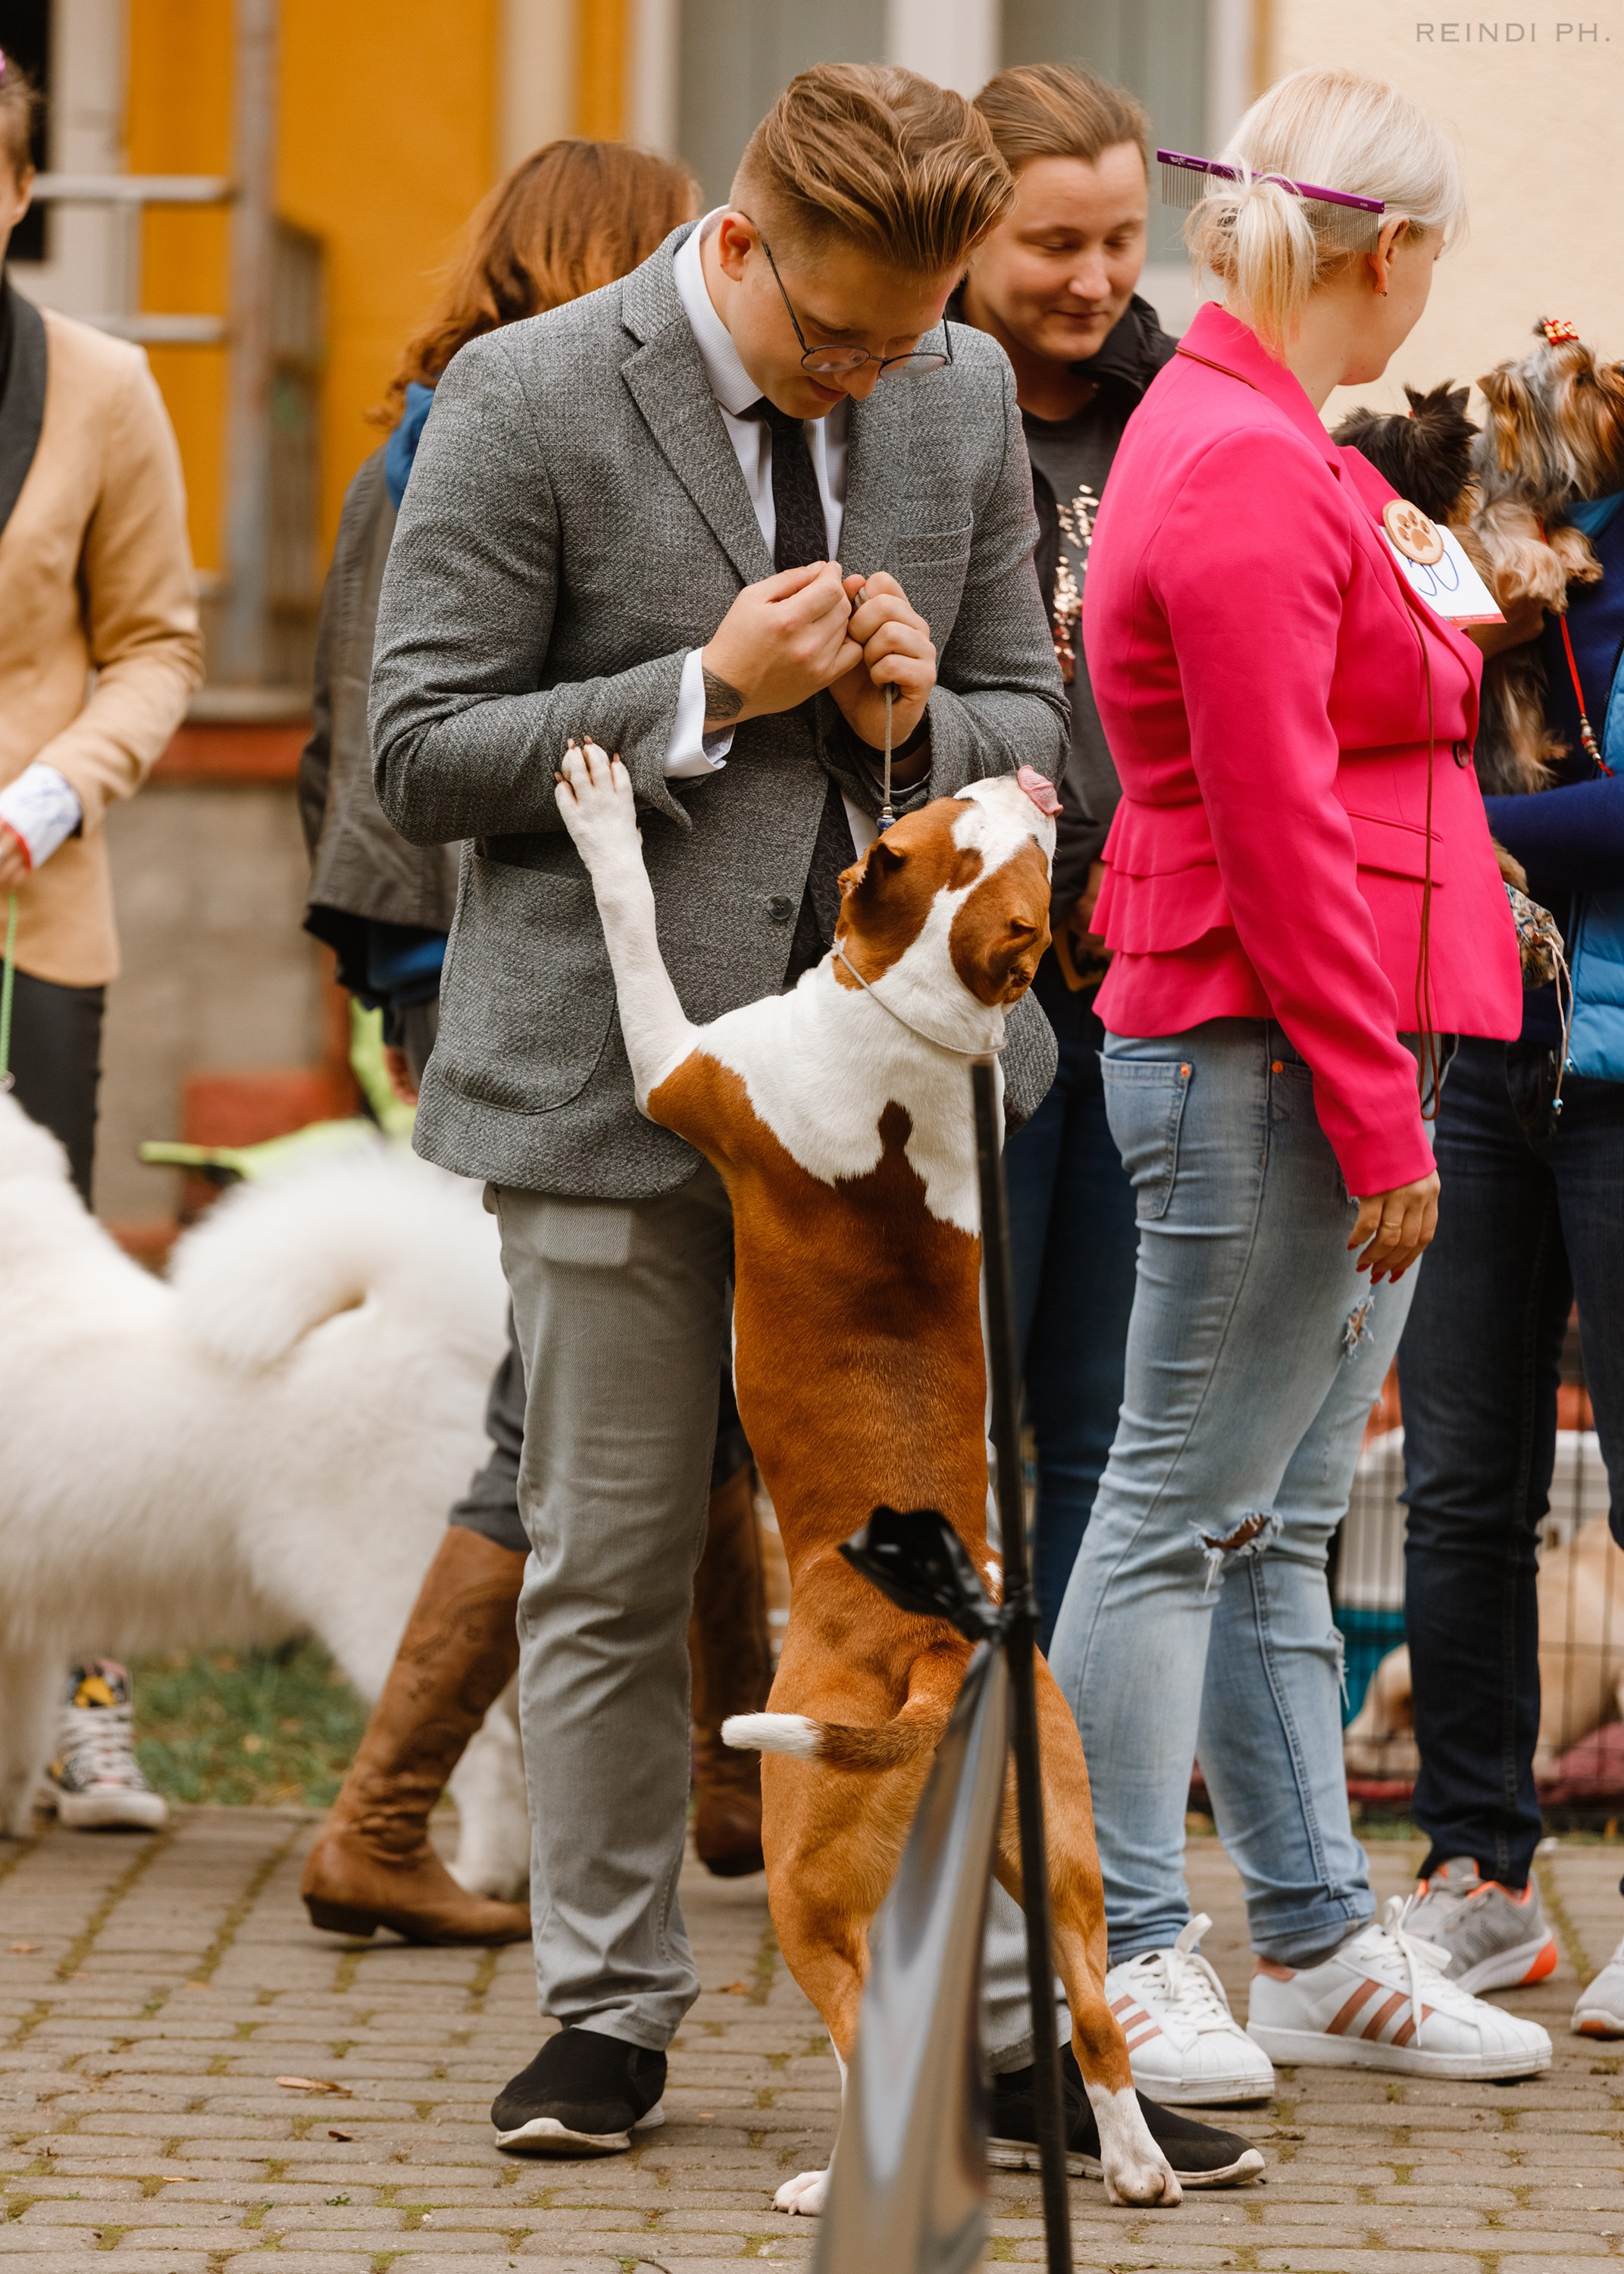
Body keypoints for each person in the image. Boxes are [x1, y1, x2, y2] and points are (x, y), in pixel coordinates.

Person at [369, 63, 1069, 2155]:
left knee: (948, 1571)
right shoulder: (523, 396)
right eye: (836, 339)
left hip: (899, 1131)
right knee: (603, 1561)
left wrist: (912, 707)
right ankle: (608, 2015)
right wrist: (703, 693)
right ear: (741, 244)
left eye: (907, 343)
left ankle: (992, 2020)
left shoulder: (949, 387)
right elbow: (414, 756)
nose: (874, 382)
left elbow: (1042, 726)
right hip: (607, 1079)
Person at [986, 65, 1554, 2105]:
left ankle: (1309, 1936)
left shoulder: (1263, 437)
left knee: (1275, 1518)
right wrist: (1377, 1104)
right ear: (1383, 249)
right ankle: (1119, 1946)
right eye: (1433, 261)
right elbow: (1273, 805)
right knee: (1175, 1508)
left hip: (1332, 1030)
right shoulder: (1228, 456)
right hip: (1266, 1033)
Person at [296, 139, 774, 1942]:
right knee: (564, 1411)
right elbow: (404, 739)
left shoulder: (409, 440)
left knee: (690, 1383)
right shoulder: (477, 439)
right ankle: (380, 1819)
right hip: (506, 944)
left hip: (453, 940)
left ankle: (732, 1783)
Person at [0, 49, 202, 1833]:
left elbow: (158, 644)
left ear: (15, 192)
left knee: (46, 1331)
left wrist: (53, 792)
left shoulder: (99, 385)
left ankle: (85, 1702)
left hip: (25, 919)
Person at [1397, 478, 1624, 2038]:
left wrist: (1440, 827)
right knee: (1458, 1480)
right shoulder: (1536, 530)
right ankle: (1477, 1874)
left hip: (1621, 1072)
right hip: (1480, 1057)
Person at [959, 61, 1173, 1647]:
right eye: (1053, 243)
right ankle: (933, 1789)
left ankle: (1063, 1789)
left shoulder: (1174, 418)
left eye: (1121, 241)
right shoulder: (896, 410)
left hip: (1144, 983)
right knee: (954, 1406)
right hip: (962, 980)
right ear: (969, 230)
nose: (1095, 280)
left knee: (1101, 1414)